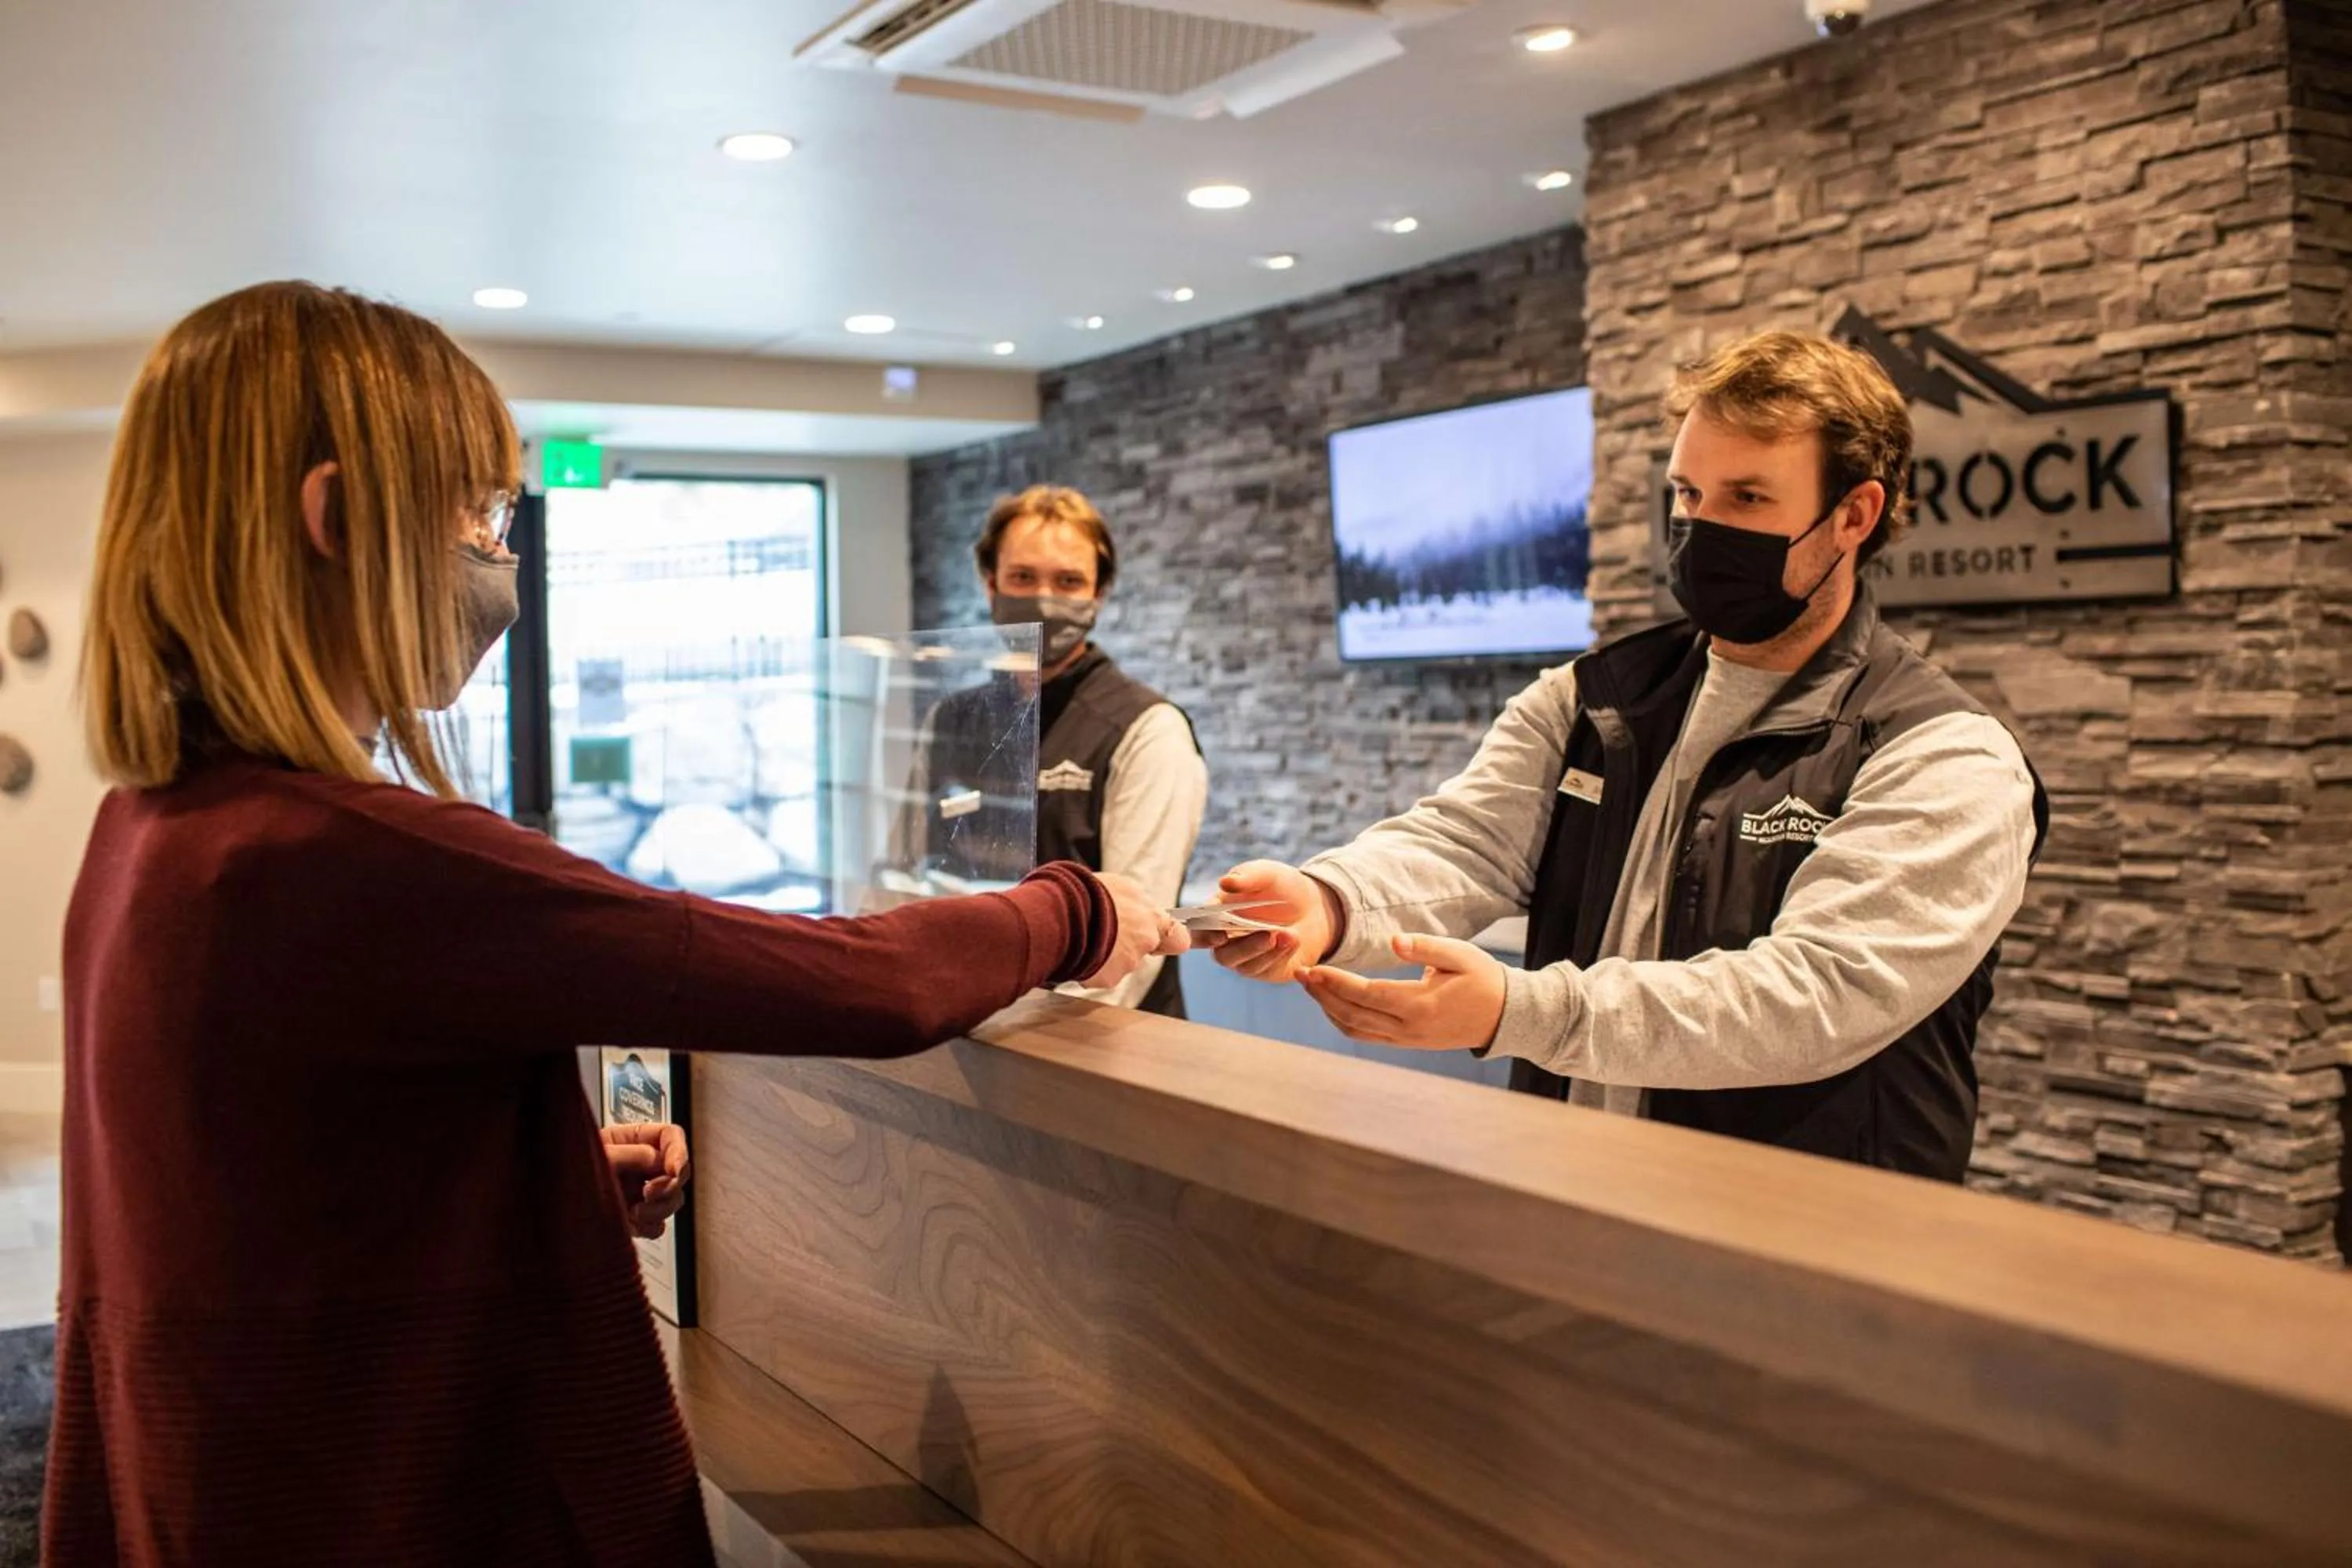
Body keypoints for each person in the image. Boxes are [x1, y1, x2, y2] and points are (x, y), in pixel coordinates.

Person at [53, 281, 1184, 1565]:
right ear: (335, 518)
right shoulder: (355, 859)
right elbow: (858, 987)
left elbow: (274, 1195)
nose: (499, 556)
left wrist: (539, 1193)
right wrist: (1076, 907)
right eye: (480, 513)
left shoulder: (147, 830)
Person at [1210, 329, 2046, 1181]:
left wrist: (1522, 1009)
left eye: (1749, 498)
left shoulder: (1944, 753)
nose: (1702, 527)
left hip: (1812, 1250)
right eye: (1688, 492)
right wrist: (1331, 900)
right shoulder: (1593, 696)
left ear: (1855, 515)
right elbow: (1464, 843)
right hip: (1575, 1201)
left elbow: (1817, 994)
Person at [911, 485, 1207, 1016]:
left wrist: (1019, 1025)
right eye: (1024, 577)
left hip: (1097, 1043)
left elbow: (1138, 941)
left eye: (1069, 581)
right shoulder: (949, 721)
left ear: (1100, 594)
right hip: (963, 1025)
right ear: (990, 584)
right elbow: (912, 877)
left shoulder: (1146, 730)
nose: (1044, 599)